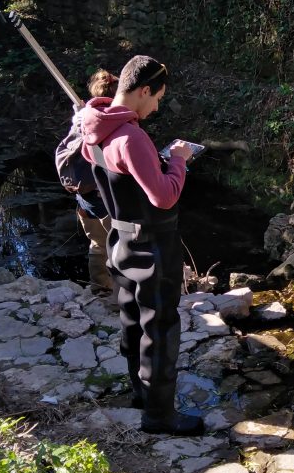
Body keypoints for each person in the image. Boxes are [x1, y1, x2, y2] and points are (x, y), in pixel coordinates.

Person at [80, 55, 202, 435]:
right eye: (158, 98)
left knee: (133, 320)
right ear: (144, 90)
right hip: (153, 246)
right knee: (161, 327)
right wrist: (179, 161)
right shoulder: (131, 136)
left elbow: (123, 177)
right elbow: (163, 196)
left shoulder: (94, 126)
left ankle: (140, 394)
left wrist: (157, 162)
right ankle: (160, 415)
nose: (156, 106)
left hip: (120, 239)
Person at [60, 69, 118, 293]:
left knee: (97, 243)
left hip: (84, 198)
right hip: (103, 196)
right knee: (119, 245)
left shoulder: (81, 119)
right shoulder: (110, 121)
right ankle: (121, 295)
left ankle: (99, 288)